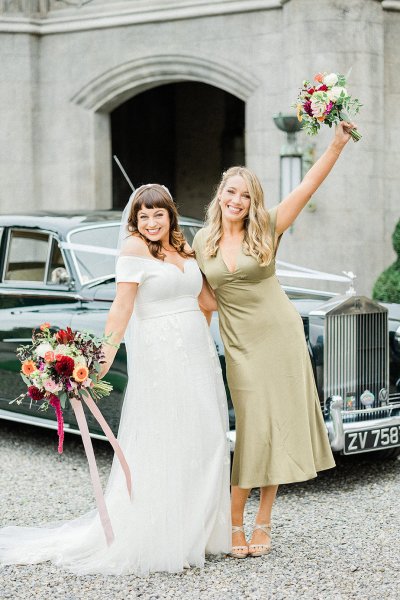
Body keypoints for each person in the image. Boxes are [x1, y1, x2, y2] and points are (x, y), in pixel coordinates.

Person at [0, 184, 231, 575]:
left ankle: (200, 529)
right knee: (168, 440)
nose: (152, 222)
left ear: (170, 214)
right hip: (162, 359)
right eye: (143, 216)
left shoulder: (186, 250)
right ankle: (164, 535)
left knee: (207, 437)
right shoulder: (134, 251)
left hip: (197, 356)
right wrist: (90, 366)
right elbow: (120, 313)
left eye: (158, 214)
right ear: (135, 221)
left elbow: (207, 301)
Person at [192, 121, 355, 558]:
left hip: (281, 336)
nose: (237, 201)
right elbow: (205, 298)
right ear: (220, 193)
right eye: (231, 192)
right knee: (252, 428)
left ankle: (261, 521)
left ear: (253, 201)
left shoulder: (266, 225)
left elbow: (308, 183)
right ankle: (232, 522)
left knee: (276, 426)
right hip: (240, 345)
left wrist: (335, 145)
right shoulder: (201, 240)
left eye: (246, 195)